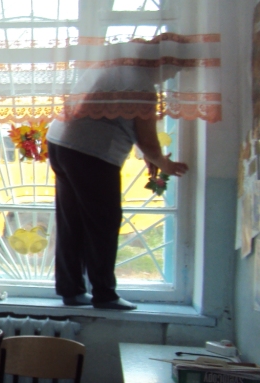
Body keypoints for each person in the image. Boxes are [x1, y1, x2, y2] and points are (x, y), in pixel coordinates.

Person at [47, 113, 188, 310]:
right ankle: (104, 294)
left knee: (71, 219)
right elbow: (146, 137)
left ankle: (71, 290)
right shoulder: (143, 92)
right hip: (92, 150)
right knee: (104, 222)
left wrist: (151, 155)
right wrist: (165, 164)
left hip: (59, 140)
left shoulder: (111, 89)